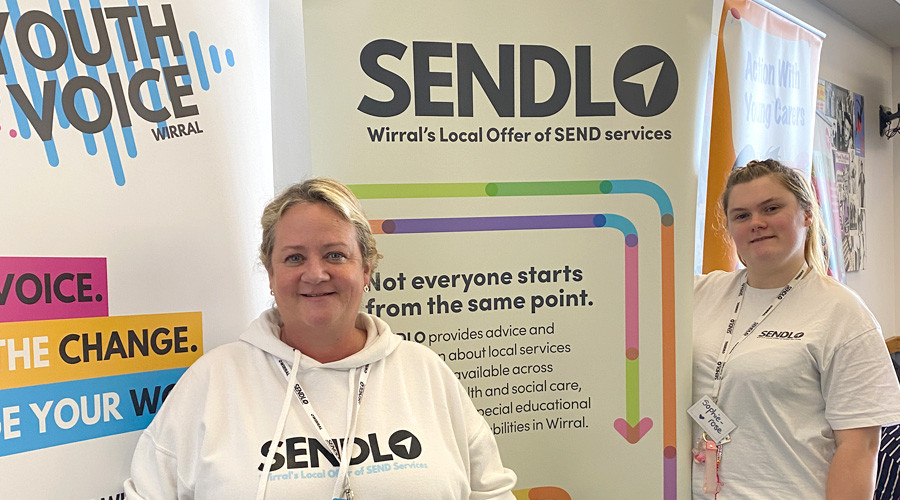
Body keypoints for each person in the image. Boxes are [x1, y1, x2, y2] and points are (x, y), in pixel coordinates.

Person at [124, 178, 517, 499]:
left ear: (366, 269)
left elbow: (491, 493)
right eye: (294, 258)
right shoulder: (213, 381)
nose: (315, 274)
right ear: (271, 274)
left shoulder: (424, 372)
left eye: (335, 255)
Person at [691, 159, 900, 499]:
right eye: (741, 215)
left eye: (771, 208)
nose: (756, 223)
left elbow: (858, 448)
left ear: (806, 214)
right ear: (729, 227)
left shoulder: (842, 313)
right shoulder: (698, 296)